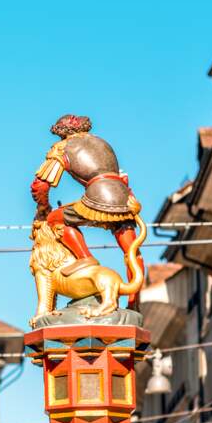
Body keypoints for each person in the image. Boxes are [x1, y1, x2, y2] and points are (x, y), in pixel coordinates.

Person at [30, 114, 145, 307]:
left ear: (61, 133)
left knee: (55, 218)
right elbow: (120, 175)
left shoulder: (62, 147)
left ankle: (85, 258)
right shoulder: (102, 143)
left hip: (98, 196)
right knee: (132, 252)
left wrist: (43, 207)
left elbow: (40, 185)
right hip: (125, 198)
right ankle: (135, 303)